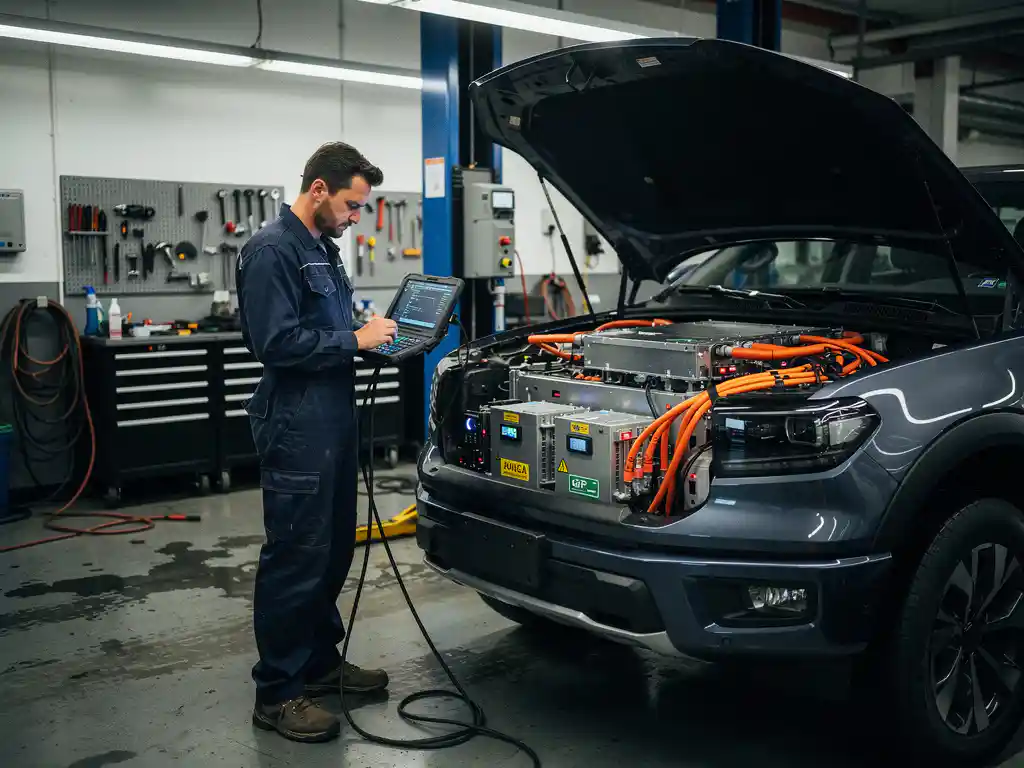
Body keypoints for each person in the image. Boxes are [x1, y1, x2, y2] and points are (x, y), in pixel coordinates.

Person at [237, 142, 398, 743]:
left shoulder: (322, 251)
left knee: (331, 549)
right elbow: (274, 343)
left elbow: (328, 330)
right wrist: (355, 341)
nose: (358, 216)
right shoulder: (271, 251)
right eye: (353, 204)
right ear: (320, 190)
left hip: (331, 419)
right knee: (296, 556)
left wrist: (368, 335)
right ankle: (277, 693)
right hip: (296, 423)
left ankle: (320, 663)